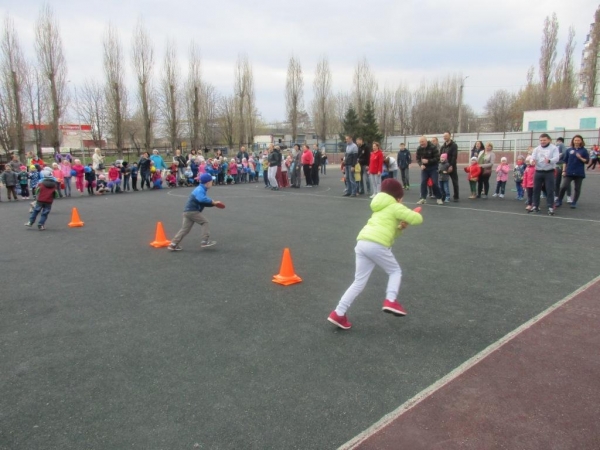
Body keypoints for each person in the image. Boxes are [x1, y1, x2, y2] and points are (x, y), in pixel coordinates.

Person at [327, 178, 423, 330]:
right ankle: (390, 300)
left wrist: (400, 228)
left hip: (362, 243)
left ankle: (338, 312)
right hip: (376, 245)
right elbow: (417, 219)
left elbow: (390, 234)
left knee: (358, 282)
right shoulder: (395, 206)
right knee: (395, 271)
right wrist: (413, 213)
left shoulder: (379, 207)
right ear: (397, 197)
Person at [167, 173, 223, 251]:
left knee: (185, 229)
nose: (212, 183)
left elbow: (202, 202)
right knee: (204, 222)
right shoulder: (200, 189)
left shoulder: (200, 189)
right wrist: (212, 202)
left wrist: (213, 204)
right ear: (207, 182)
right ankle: (204, 241)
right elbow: (201, 199)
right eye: (211, 181)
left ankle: (173, 244)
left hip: (187, 212)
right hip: (192, 211)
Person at [556, 135, 590, 209]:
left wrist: (580, 157)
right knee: (563, 186)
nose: (577, 142)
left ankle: (574, 202)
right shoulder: (569, 150)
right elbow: (565, 161)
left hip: (579, 172)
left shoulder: (584, 150)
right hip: (569, 171)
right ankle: (559, 200)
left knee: (577, 188)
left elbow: (587, 161)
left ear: (581, 141)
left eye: (578, 140)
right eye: (575, 140)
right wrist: (564, 170)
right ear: (573, 141)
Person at [531, 133, 559, 215]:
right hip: (538, 171)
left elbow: (557, 158)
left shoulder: (554, 148)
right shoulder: (536, 149)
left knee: (550, 189)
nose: (542, 142)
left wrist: (550, 160)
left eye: (544, 140)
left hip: (549, 171)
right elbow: (533, 157)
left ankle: (550, 207)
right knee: (536, 189)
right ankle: (535, 206)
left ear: (549, 140)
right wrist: (532, 161)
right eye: (541, 140)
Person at [416, 136, 443, 205]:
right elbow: (418, 159)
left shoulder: (433, 147)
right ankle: (423, 198)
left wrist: (428, 161)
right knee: (423, 182)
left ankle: (439, 197)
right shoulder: (419, 148)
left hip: (433, 168)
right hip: (424, 168)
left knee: (434, 183)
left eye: (422, 142)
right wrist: (421, 165)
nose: (421, 143)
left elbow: (437, 158)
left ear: (426, 141)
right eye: (420, 142)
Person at [440, 131, 459, 202]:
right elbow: (440, 157)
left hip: (451, 166)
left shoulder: (454, 145)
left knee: (455, 182)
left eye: (446, 136)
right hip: (444, 167)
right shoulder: (442, 147)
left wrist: (451, 166)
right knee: (443, 182)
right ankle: (444, 196)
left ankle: (456, 196)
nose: (445, 137)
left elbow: (454, 156)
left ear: (450, 136)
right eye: (444, 136)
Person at [554, 137, 571, 203]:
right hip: (561, 165)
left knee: (561, 182)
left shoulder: (560, 145)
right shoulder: (561, 146)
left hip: (560, 165)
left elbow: (564, 152)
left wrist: (558, 156)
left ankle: (557, 196)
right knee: (564, 182)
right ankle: (568, 196)